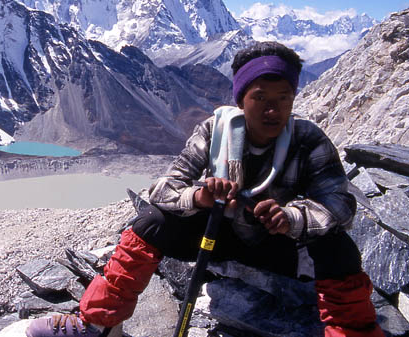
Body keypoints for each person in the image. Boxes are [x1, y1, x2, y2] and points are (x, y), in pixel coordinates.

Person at [26, 41, 383, 337]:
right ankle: (97, 323)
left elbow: (340, 204)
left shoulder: (308, 140)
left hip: (279, 246)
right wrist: (199, 197)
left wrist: (292, 217)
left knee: (338, 247)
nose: (273, 109)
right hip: (216, 237)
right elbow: (163, 189)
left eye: (284, 97)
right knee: (153, 222)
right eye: (261, 97)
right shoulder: (215, 132)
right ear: (242, 99)